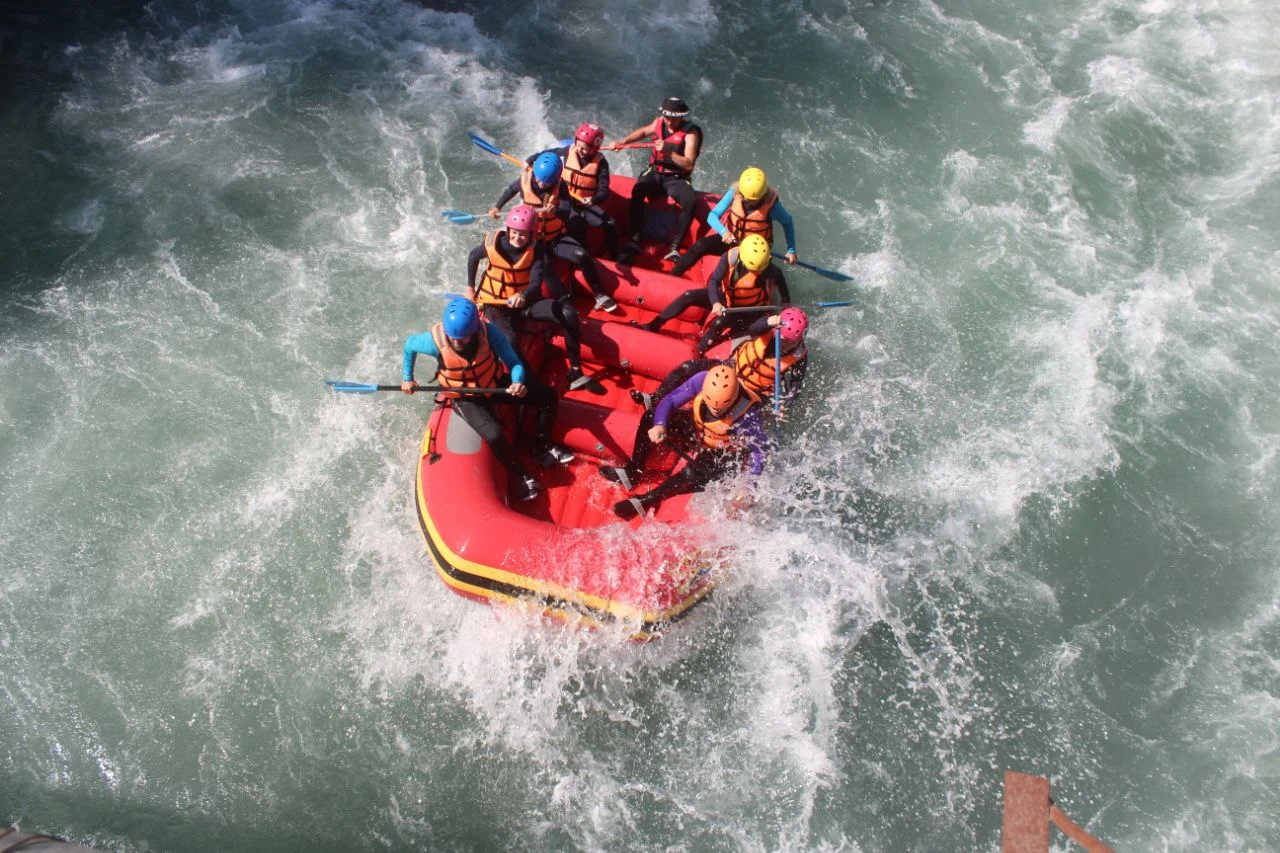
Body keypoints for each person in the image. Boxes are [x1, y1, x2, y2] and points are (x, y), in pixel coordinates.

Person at [401, 297, 574, 503]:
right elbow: (409, 345)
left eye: (462, 338)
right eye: (453, 337)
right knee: (494, 435)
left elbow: (513, 361)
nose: (456, 341)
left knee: (547, 396)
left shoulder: (489, 333)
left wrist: (517, 381)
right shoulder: (432, 342)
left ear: (475, 331)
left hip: (493, 383)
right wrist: (407, 378)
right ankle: (523, 475)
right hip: (464, 397)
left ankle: (542, 446)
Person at [465, 203, 603, 394]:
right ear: (508, 230)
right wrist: (470, 288)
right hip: (496, 305)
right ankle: (530, 384)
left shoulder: (536, 250)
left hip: (525, 304)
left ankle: (575, 371)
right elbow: (473, 257)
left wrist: (523, 296)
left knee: (568, 313)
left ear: (531, 234)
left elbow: (536, 281)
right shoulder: (494, 244)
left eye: (523, 234)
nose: (517, 237)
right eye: (514, 233)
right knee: (509, 340)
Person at [599, 364, 769, 519]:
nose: (715, 411)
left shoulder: (749, 416)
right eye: (711, 405)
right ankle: (634, 471)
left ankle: (645, 500)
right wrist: (660, 425)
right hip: (699, 431)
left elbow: (759, 452)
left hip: (722, 451)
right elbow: (671, 400)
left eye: (720, 408)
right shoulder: (702, 379)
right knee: (651, 415)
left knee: (691, 473)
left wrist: (748, 484)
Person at [489, 151, 619, 313]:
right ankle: (566, 303)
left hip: (555, 238)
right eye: (539, 179)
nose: (541, 184)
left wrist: (555, 210)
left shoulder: (560, 185)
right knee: (545, 266)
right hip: (534, 241)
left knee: (582, 255)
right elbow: (510, 190)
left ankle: (599, 294)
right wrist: (497, 207)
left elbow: (566, 211)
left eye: (546, 182)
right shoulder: (525, 180)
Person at [630, 306, 810, 414]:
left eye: (790, 343)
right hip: (731, 367)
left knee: (714, 408)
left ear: (799, 340)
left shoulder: (799, 357)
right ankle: (655, 398)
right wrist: (769, 322)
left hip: (750, 391)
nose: (784, 345)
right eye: (783, 340)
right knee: (688, 367)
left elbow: (795, 387)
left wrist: (783, 404)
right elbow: (753, 329)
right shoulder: (770, 327)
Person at [635, 233, 790, 355]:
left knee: (719, 322)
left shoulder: (769, 270)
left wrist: (785, 300)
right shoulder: (730, 257)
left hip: (746, 311)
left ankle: (699, 351)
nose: (755, 272)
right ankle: (654, 325)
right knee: (688, 296)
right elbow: (714, 281)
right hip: (724, 299)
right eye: (752, 268)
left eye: (757, 269)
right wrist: (715, 302)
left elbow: (781, 280)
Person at [607, 97, 703, 264]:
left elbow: (689, 164)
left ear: (681, 116)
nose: (669, 121)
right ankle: (635, 240)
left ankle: (674, 248)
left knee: (690, 201)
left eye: (673, 118)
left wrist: (669, 152)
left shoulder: (691, 133)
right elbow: (644, 132)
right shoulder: (659, 122)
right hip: (656, 172)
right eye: (667, 117)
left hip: (676, 177)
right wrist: (622, 143)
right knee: (638, 190)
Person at [668, 166, 798, 278]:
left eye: (754, 200)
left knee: (740, 276)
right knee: (699, 246)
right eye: (747, 198)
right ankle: (673, 275)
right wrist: (724, 232)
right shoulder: (735, 192)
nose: (750, 202)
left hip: (754, 249)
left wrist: (791, 250)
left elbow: (788, 222)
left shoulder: (773, 207)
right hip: (732, 239)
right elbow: (712, 216)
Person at [545, 122, 619, 258]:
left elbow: (604, 191)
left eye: (584, 148)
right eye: (578, 145)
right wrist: (530, 160)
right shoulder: (567, 151)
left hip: (585, 205)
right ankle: (585, 256)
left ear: (594, 149)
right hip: (565, 203)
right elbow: (547, 154)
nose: (580, 150)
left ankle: (614, 255)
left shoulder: (601, 163)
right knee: (577, 223)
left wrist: (593, 200)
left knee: (611, 224)